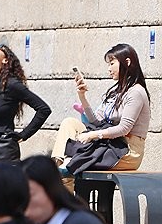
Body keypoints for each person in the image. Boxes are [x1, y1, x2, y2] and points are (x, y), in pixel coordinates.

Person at [51, 43, 151, 173]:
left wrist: (94, 135)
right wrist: (82, 96)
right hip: (108, 144)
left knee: (73, 163)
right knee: (69, 123)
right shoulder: (115, 91)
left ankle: (60, 171)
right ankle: (58, 165)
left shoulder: (136, 92)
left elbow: (124, 128)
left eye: (112, 63)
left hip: (125, 151)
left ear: (127, 62)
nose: (109, 69)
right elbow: (96, 121)